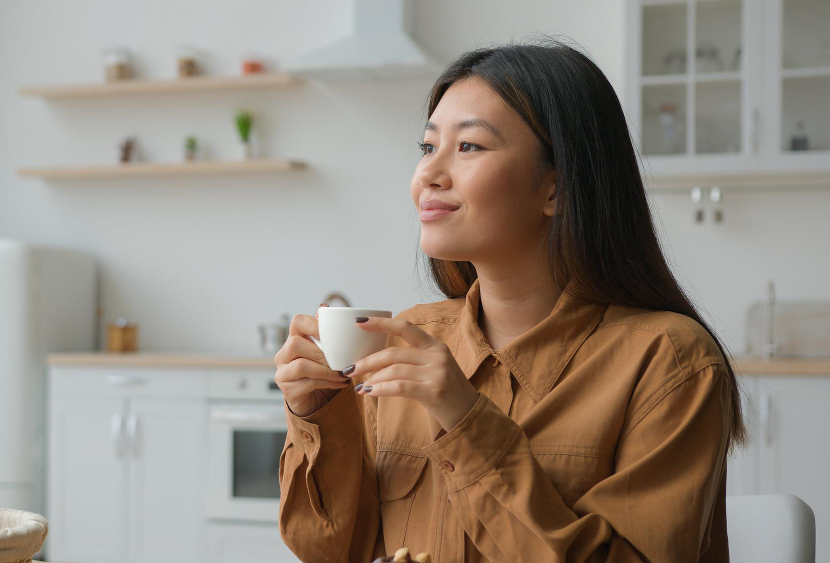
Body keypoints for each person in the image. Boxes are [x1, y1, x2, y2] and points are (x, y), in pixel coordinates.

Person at [274, 40, 743, 563]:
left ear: (556, 188)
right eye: (428, 147)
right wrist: (318, 417)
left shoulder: (670, 364)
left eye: (469, 146)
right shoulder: (409, 339)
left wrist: (464, 418)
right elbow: (333, 549)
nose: (428, 175)